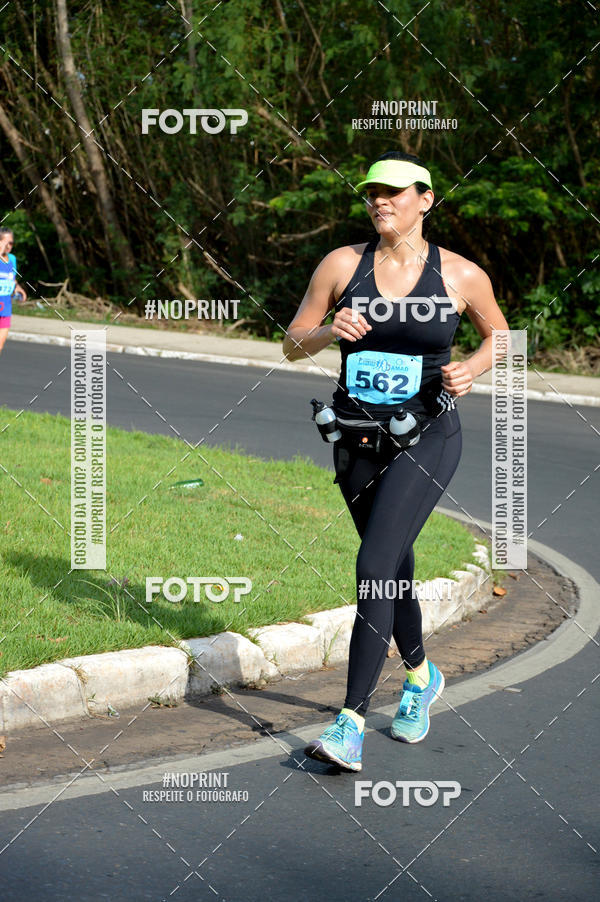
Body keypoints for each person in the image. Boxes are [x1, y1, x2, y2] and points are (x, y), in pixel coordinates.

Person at [282, 151, 509, 772]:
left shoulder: (461, 276)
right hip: (355, 438)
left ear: (425, 200)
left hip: (429, 436)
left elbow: (502, 335)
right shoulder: (341, 265)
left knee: (375, 561)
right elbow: (293, 343)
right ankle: (420, 675)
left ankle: (349, 721)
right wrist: (331, 330)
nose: (380, 201)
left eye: (394, 193)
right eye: (371, 194)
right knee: (394, 563)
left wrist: (473, 367)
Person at [0, 227, 27, 356]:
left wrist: (19, 289)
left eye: (11, 243)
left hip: (5, 307)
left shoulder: (12, 259)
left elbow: (12, 278)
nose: (9, 246)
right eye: (6, 242)